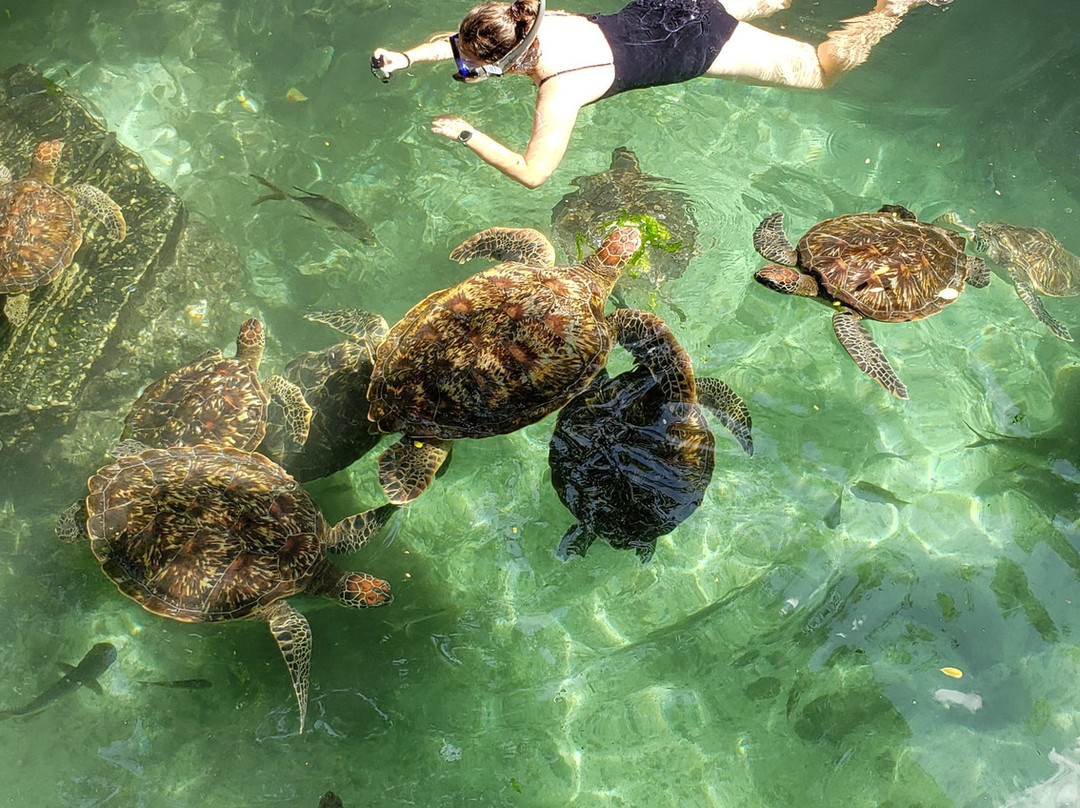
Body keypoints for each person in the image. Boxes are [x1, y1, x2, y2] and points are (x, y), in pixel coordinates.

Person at [371, 0, 952, 189]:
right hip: (675, 5)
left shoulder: (560, 90)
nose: (470, 65)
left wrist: (467, 132)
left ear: (514, 62)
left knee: (819, 70)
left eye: (479, 68)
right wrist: (407, 56)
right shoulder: (535, 20)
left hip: (703, 43)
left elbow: (533, 172)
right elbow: (464, 41)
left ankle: (893, 8)